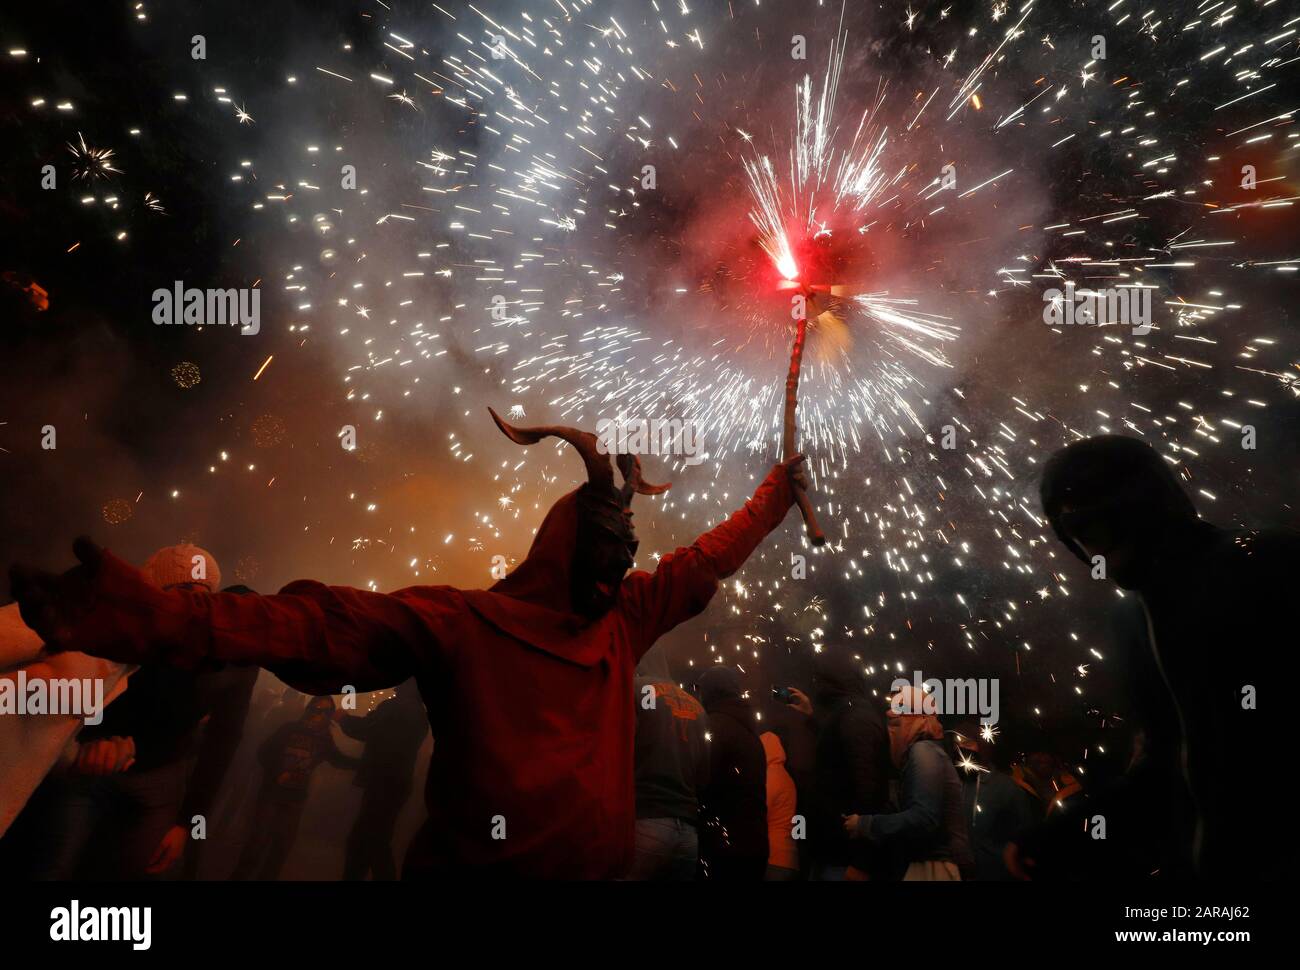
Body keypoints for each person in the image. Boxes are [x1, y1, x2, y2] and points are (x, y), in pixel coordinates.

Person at [10, 408, 807, 878]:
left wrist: (774, 498)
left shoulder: (619, 623)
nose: (616, 571)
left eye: (624, 557)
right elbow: (314, 625)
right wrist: (153, 616)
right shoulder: (465, 623)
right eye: (604, 553)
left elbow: (701, 562)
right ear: (566, 551)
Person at [1013, 434, 1299, 879]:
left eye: (1102, 522)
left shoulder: (1267, 565)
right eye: (1077, 532)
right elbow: (1171, 765)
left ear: (1146, 504)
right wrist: (1068, 837)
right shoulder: (1133, 619)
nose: (1095, 549)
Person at [14, 550, 257, 880]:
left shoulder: (222, 653)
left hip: (158, 780)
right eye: (181, 591)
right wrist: (83, 746)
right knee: (50, 866)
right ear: (151, 592)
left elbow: (225, 738)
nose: (190, 604)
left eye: (202, 595)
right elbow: (62, 698)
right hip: (84, 770)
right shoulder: (117, 628)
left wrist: (187, 824)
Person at [845, 685, 974, 881]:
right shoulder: (925, 753)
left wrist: (865, 824)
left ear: (919, 720)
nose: (890, 730)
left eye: (896, 722)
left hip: (934, 869)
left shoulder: (923, 752)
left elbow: (924, 818)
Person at [232, 696, 358, 880]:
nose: (319, 715)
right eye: (316, 709)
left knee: (280, 849)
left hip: (295, 799)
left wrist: (369, 763)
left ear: (329, 716)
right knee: (256, 845)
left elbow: (339, 760)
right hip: (272, 794)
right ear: (309, 710)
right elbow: (264, 752)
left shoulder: (324, 739)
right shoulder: (290, 729)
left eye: (325, 712)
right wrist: (277, 774)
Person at [790, 650, 891, 880]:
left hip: (844, 860)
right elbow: (838, 756)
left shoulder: (857, 718)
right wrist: (812, 717)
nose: (815, 686)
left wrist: (861, 862)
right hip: (833, 854)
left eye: (820, 679)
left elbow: (869, 793)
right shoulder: (848, 713)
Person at [627, 646, 709, 881]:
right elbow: (703, 775)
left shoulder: (636, 690)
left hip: (647, 819)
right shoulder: (698, 707)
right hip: (689, 834)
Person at [339, 679, 429, 880]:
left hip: (382, 782)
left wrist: (343, 718)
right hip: (398, 782)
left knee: (367, 841)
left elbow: (368, 729)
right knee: (374, 840)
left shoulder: (394, 707)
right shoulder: (422, 716)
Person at [696, 665, 768, 881]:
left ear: (710, 692)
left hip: (723, 846)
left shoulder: (714, 727)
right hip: (755, 843)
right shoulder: (751, 733)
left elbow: (701, 782)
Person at [760, 731, 800, 880]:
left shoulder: (769, 777)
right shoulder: (787, 777)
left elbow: (761, 812)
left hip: (773, 856)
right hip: (790, 856)